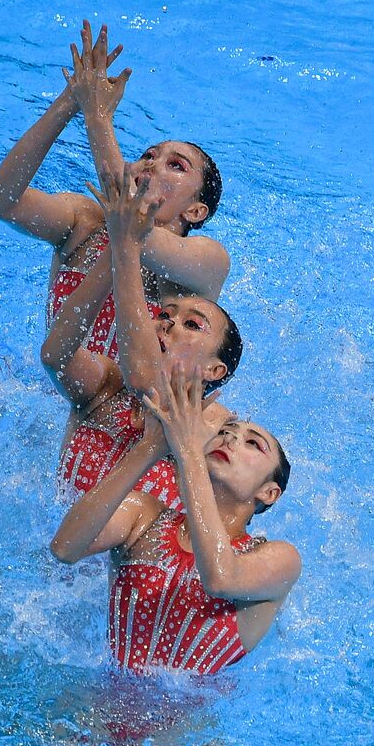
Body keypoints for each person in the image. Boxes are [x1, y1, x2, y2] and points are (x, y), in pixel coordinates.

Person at [0, 21, 229, 360]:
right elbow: (0, 201)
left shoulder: (205, 261)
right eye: (148, 155)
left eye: (176, 165)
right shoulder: (83, 222)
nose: (152, 164)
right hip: (62, 399)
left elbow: (133, 229)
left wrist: (97, 115)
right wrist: (71, 100)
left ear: (196, 211)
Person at [51, 362, 300, 674]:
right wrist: (149, 449)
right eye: (225, 432)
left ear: (269, 492)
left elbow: (221, 577)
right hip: (94, 701)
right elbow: (64, 547)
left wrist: (189, 454)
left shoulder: (279, 559)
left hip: (180, 723)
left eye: (253, 444)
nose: (230, 440)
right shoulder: (144, 516)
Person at [48, 165, 240, 504]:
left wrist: (125, 244)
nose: (169, 323)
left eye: (192, 325)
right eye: (164, 315)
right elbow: (54, 356)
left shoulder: (214, 431)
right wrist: (118, 248)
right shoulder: (106, 386)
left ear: (215, 370)